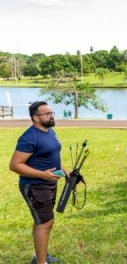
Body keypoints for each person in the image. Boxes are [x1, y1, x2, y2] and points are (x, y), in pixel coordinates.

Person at [9, 101, 67, 264]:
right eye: (47, 114)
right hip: (35, 186)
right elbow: (15, 165)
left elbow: (50, 155)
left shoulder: (49, 131)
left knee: (41, 221)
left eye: (52, 113)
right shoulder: (29, 137)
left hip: (48, 182)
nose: (51, 116)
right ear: (35, 117)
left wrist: (64, 169)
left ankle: (39, 256)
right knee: (46, 222)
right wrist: (42, 175)